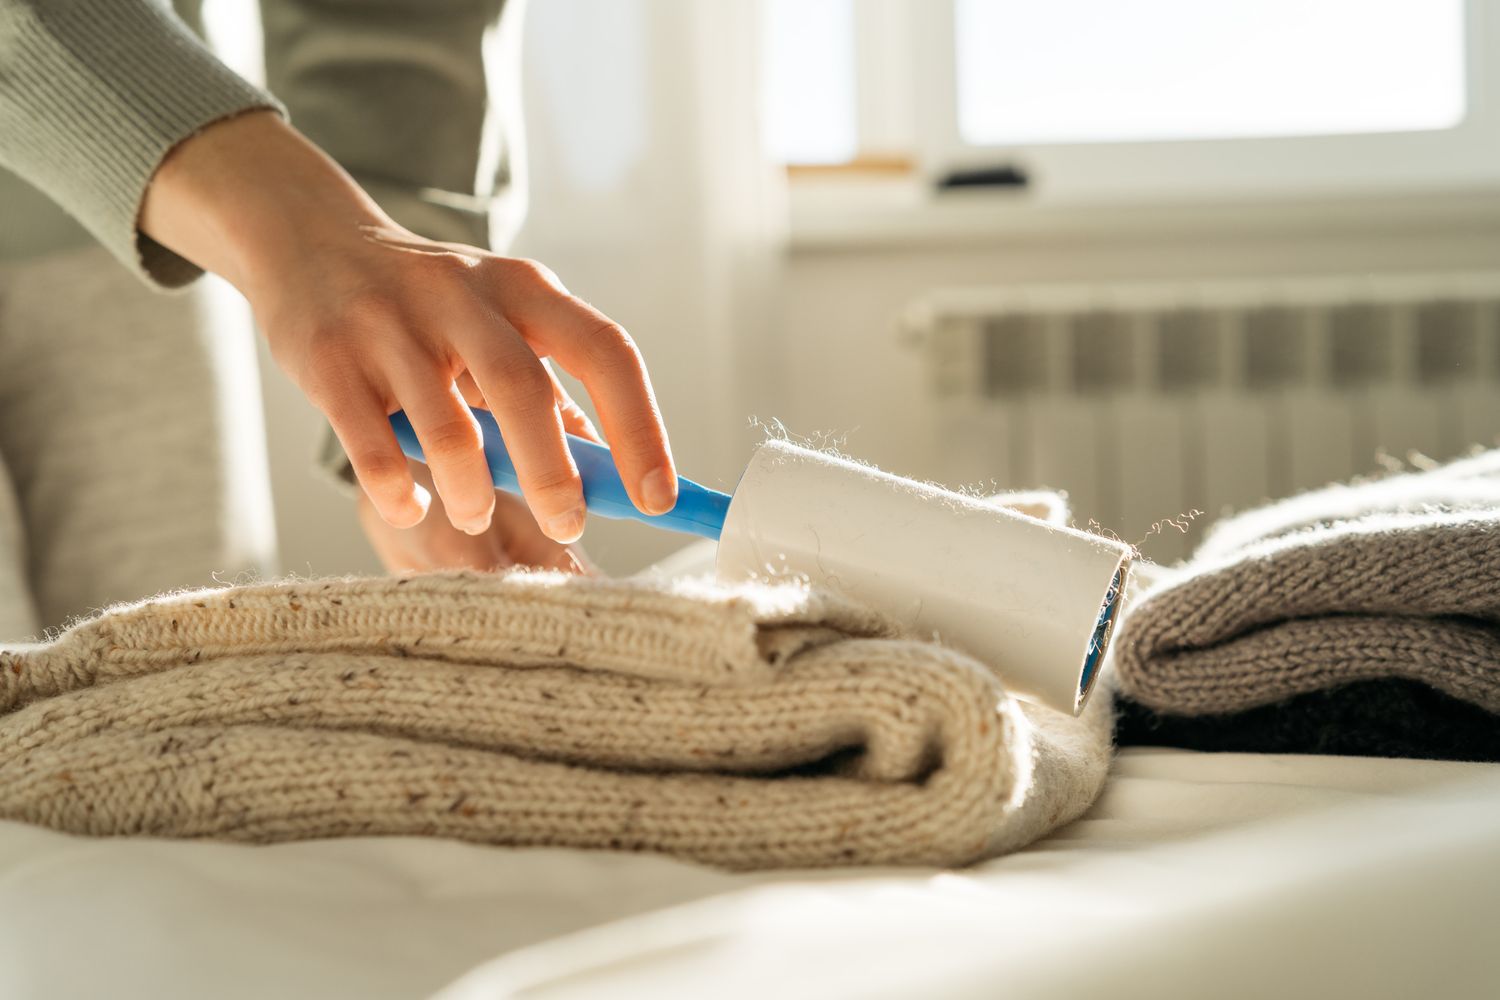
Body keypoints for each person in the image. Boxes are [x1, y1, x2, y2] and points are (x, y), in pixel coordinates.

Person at [0, 0, 676, 635]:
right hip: (168, 169)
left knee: (202, 718)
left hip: (144, 219)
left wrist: (416, 377)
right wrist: (307, 230)